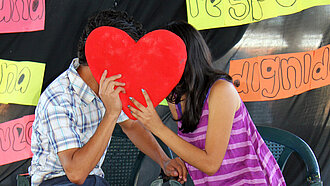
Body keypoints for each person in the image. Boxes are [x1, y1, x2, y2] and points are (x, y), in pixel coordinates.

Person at [29, 10, 187, 186]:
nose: (133, 71)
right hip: (57, 182)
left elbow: (132, 126)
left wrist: (164, 160)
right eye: (128, 60)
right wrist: (111, 113)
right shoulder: (58, 98)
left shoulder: (110, 86)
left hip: (95, 180)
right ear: (108, 59)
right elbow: (76, 173)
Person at [129, 21, 286, 185]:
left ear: (185, 57)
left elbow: (211, 164)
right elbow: (197, 148)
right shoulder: (175, 97)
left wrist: (158, 128)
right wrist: (184, 162)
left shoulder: (221, 90)